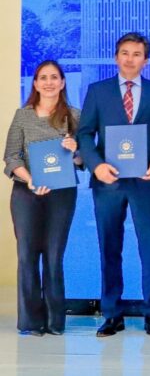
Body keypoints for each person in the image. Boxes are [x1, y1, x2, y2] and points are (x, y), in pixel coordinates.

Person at [77, 32, 150, 337]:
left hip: (146, 182)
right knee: (109, 248)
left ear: (146, 60)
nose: (130, 59)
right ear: (116, 57)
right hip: (108, 182)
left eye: (137, 54)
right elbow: (84, 134)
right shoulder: (97, 91)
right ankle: (112, 314)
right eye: (125, 53)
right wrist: (97, 165)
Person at [3, 60, 81, 335]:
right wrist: (31, 180)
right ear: (35, 83)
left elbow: (83, 160)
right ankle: (30, 322)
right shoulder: (22, 116)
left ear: (62, 82)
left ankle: (54, 322)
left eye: (54, 77)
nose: (49, 82)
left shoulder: (74, 115)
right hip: (26, 193)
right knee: (27, 256)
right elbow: (11, 157)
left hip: (62, 195)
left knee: (54, 256)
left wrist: (75, 150)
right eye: (43, 78)